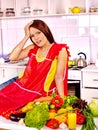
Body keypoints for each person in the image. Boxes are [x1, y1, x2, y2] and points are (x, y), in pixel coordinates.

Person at [0, 19, 70, 115]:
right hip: (20, 83)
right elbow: (12, 57)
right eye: (32, 36)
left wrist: (62, 101)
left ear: (46, 31)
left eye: (38, 33)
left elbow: (59, 77)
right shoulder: (33, 48)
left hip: (37, 92)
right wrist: (26, 36)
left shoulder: (60, 50)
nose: (36, 38)